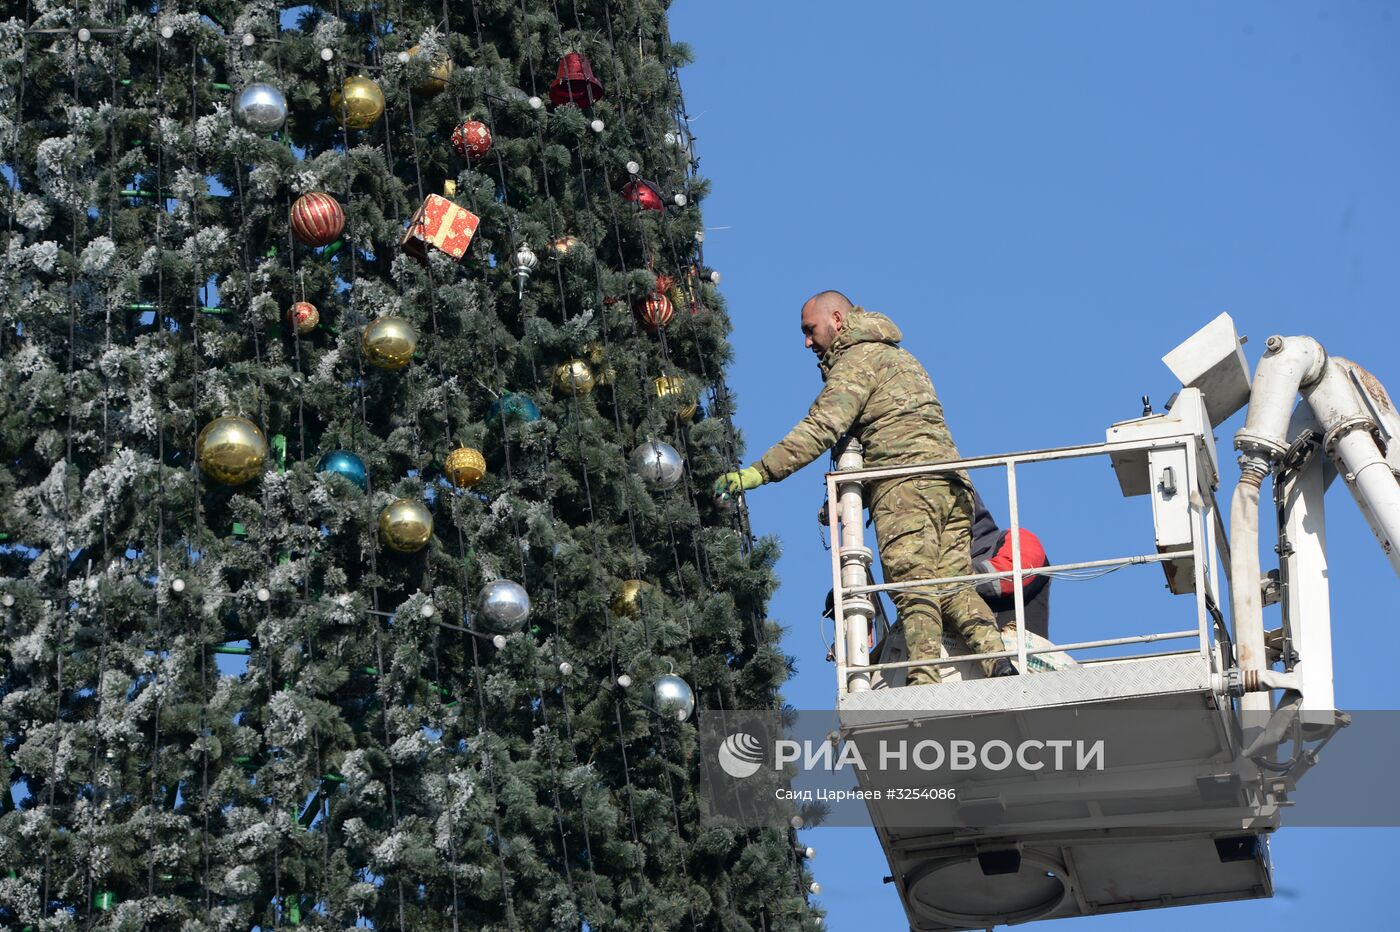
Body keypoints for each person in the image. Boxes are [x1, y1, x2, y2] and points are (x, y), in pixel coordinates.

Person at [715, 291, 1016, 684]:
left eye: (810, 329)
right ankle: (999, 661)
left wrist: (758, 472)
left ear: (837, 320)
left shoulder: (857, 361)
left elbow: (821, 426)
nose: (807, 341)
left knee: (914, 583)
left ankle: (924, 680)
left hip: (905, 484)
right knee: (953, 584)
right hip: (954, 486)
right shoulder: (898, 357)